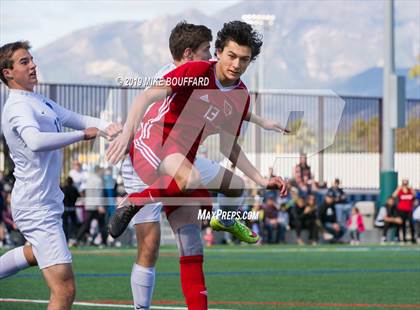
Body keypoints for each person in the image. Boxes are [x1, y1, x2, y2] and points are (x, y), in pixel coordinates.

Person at [106, 21, 288, 309]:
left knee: (195, 240)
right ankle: (136, 200)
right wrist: (128, 131)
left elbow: (229, 146)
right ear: (217, 52)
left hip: (184, 156)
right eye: (231, 56)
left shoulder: (240, 93)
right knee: (187, 184)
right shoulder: (196, 71)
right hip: (154, 143)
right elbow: (145, 96)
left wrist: (261, 180)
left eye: (244, 59)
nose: (237, 64)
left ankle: (224, 221)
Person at [0, 41, 120, 309]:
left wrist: (107, 126)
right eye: (23, 62)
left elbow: (75, 117)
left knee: (35, 254)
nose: (32, 65)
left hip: (44, 201)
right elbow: (35, 141)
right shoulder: (18, 107)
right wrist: (81, 135)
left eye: (31, 60)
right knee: (64, 290)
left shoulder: (38, 100)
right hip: (35, 205)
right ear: (7, 73)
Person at [75, 166, 107, 246]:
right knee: (102, 224)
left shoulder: (89, 180)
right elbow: (98, 194)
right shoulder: (99, 180)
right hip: (96, 206)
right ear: (98, 171)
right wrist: (100, 206)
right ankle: (104, 241)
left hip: (89, 205)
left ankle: (78, 239)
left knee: (86, 224)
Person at [393, 179, 416, 243]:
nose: (405, 185)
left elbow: (415, 195)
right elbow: (393, 195)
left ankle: (413, 238)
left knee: (411, 224)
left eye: (406, 184)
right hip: (401, 210)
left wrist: (411, 188)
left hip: (409, 210)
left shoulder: (410, 191)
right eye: (404, 184)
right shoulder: (400, 191)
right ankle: (404, 239)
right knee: (402, 224)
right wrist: (398, 188)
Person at [61, 177, 80, 242]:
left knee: (65, 225)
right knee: (74, 225)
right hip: (72, 209)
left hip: (65, 209)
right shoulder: (74, 189)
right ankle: (74, 238)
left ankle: (65, 238)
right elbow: (78, 196)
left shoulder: (63, 189)